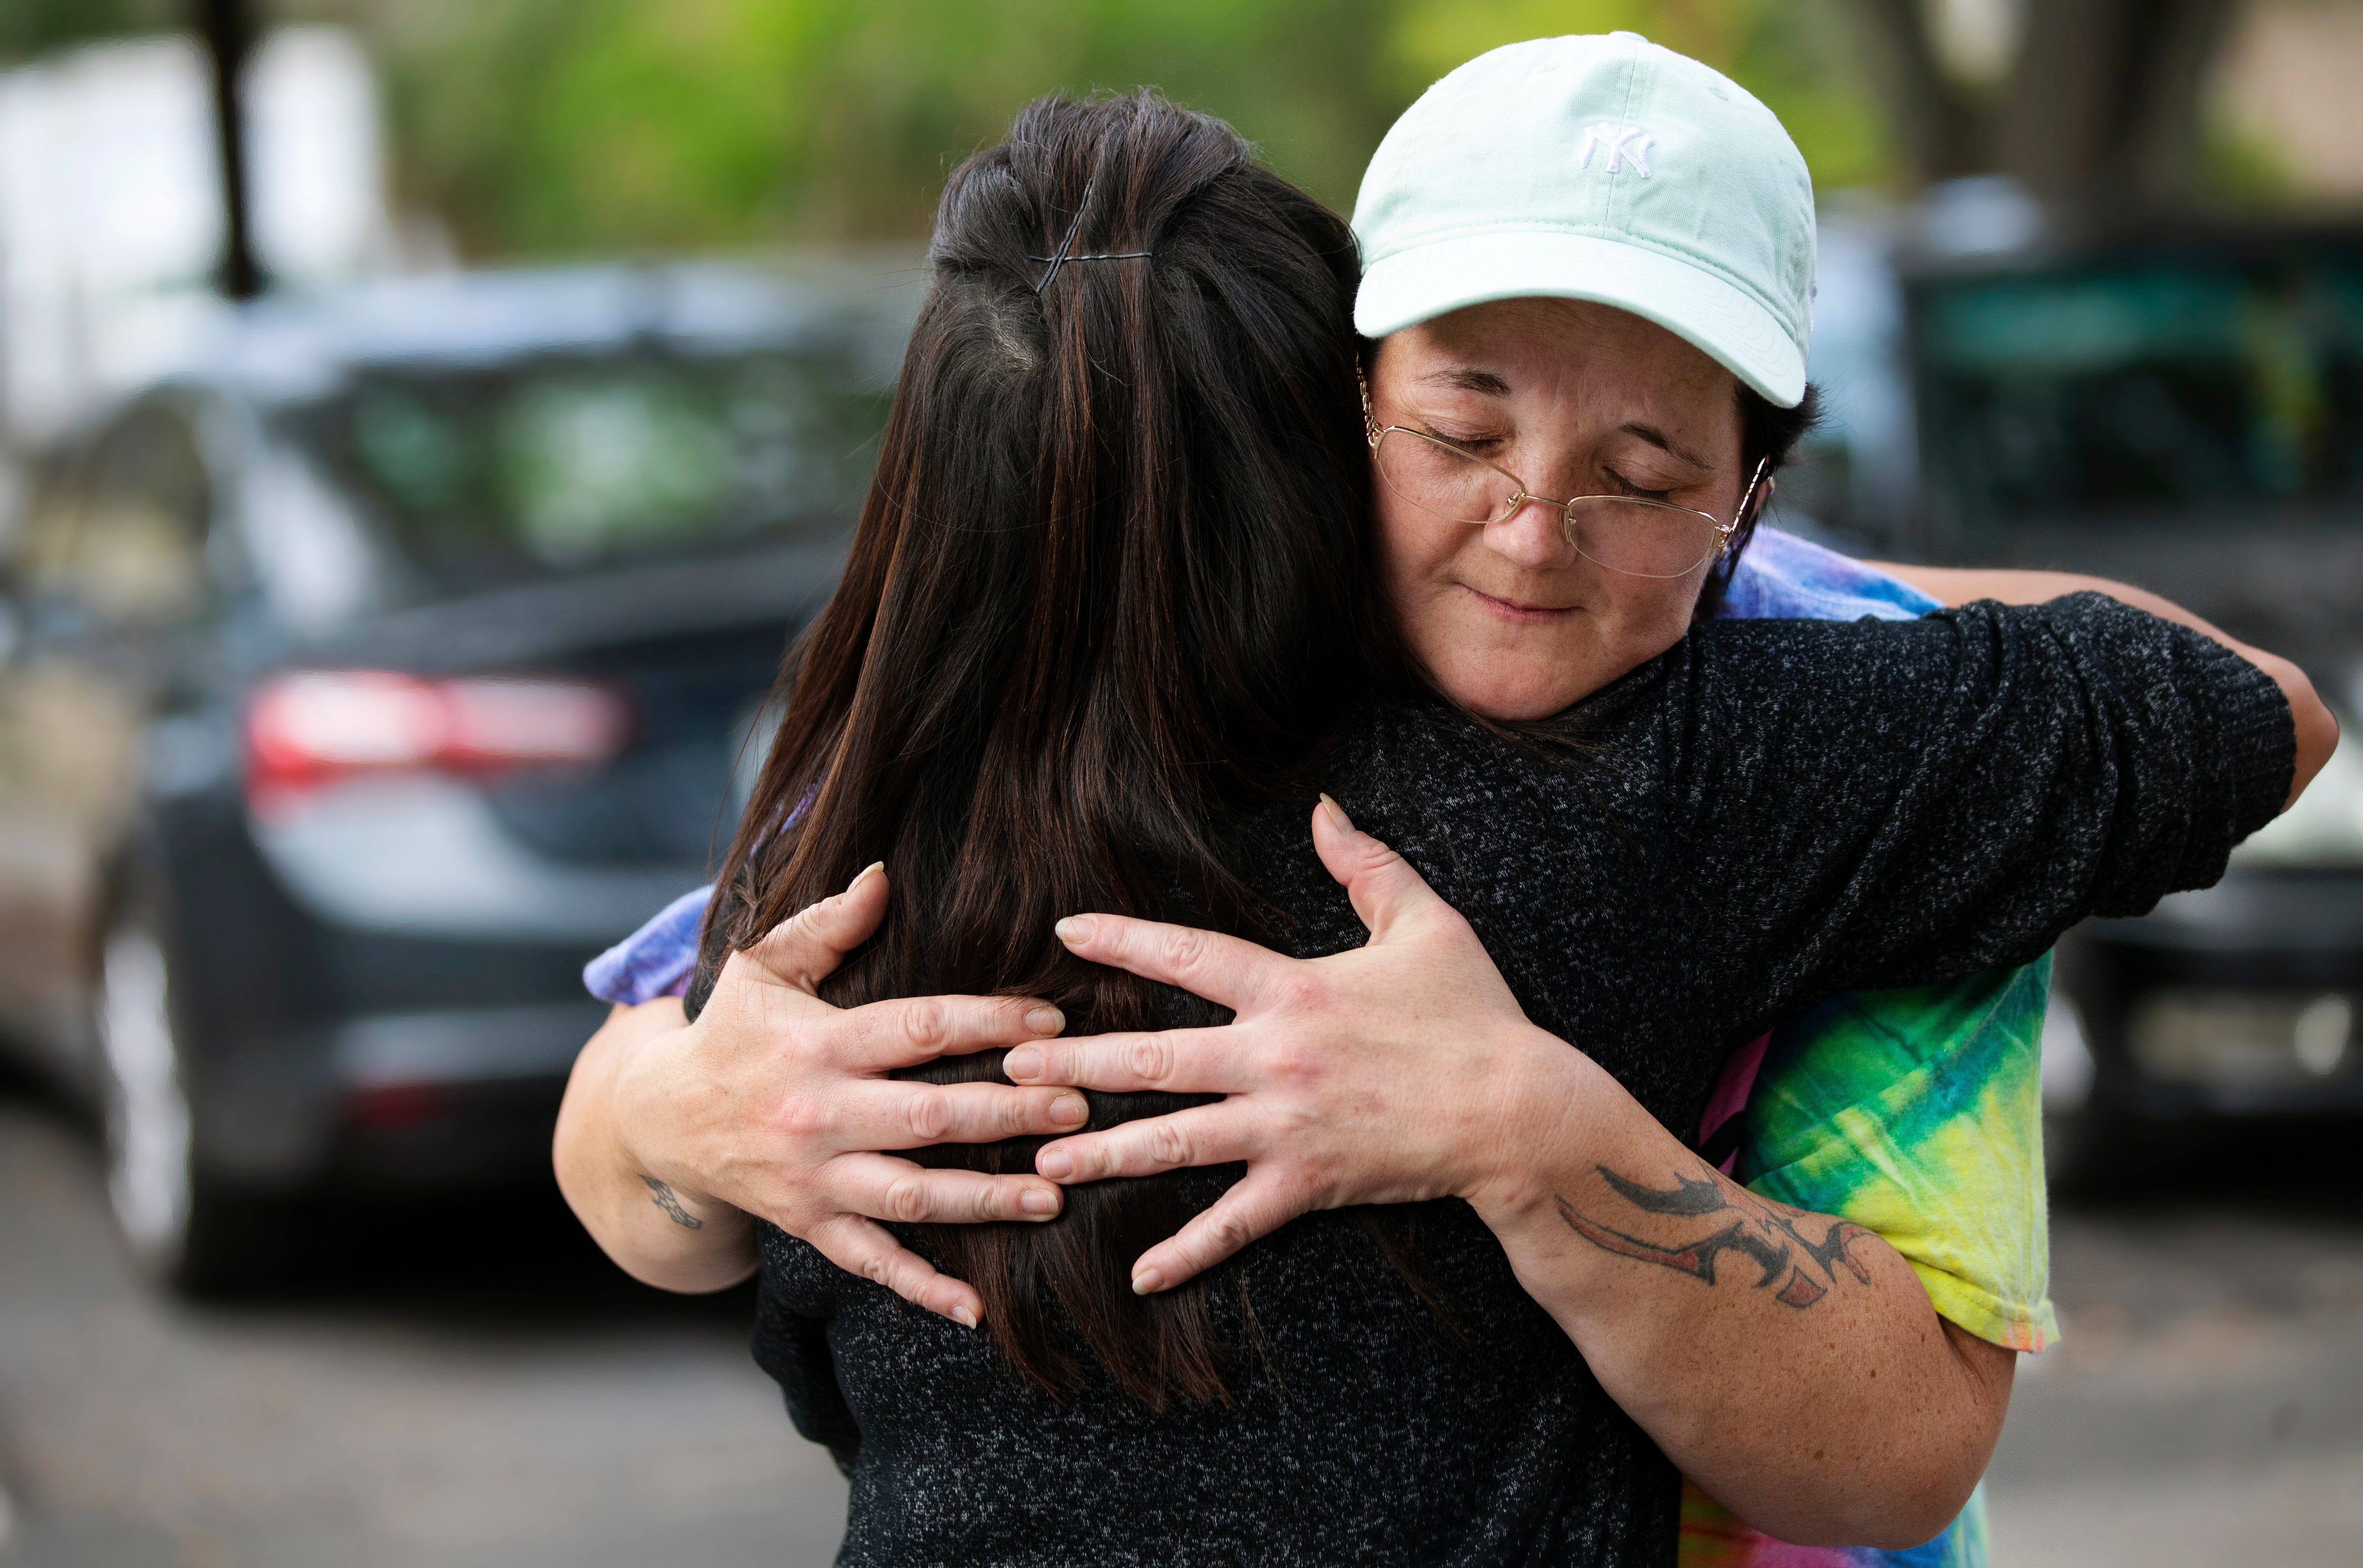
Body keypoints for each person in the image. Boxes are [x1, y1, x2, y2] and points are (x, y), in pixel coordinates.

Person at [556, 60, 2333, 1568]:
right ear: (1332, 410)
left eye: (1644, 480)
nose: (1534, 529)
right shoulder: (1681, 775)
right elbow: (2252, 708)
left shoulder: (870, 808)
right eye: (1462, 429)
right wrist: (664, 1099)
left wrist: (670, 1083)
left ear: (1749, 486)